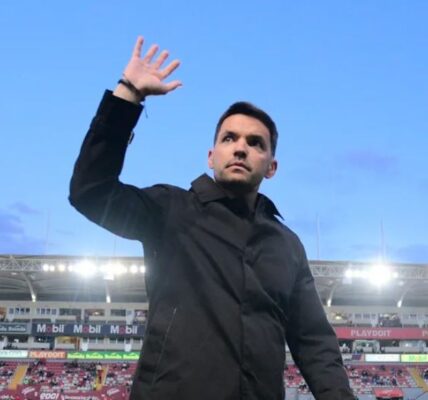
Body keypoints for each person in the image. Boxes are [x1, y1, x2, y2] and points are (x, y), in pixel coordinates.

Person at [69, 36, 354, 400]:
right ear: (211, 155)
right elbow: (90, 191)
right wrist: (128, 95)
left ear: (271, 167)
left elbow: (314, 342)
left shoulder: (287, 245)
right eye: (229, 138)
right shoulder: (169, 210)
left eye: (255, 143)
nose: (240, 148)